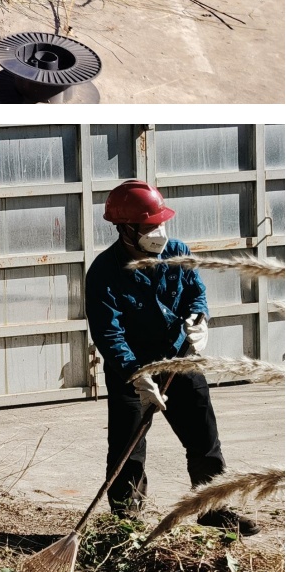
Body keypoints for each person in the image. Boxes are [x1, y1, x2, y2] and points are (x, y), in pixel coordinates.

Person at [85, 182, 257, 535]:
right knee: (127, 452)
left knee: (205, 440)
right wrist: (136, 375)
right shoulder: (104, 272)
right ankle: (125, 523)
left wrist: (200, 318)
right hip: (132, 369)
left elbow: (195, 290)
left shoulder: (177, 251)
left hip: (180, 360)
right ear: (125, 229)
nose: (159, 233)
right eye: (149, 227)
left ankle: (213, 509)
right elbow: (108, 332)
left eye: (161, 224)